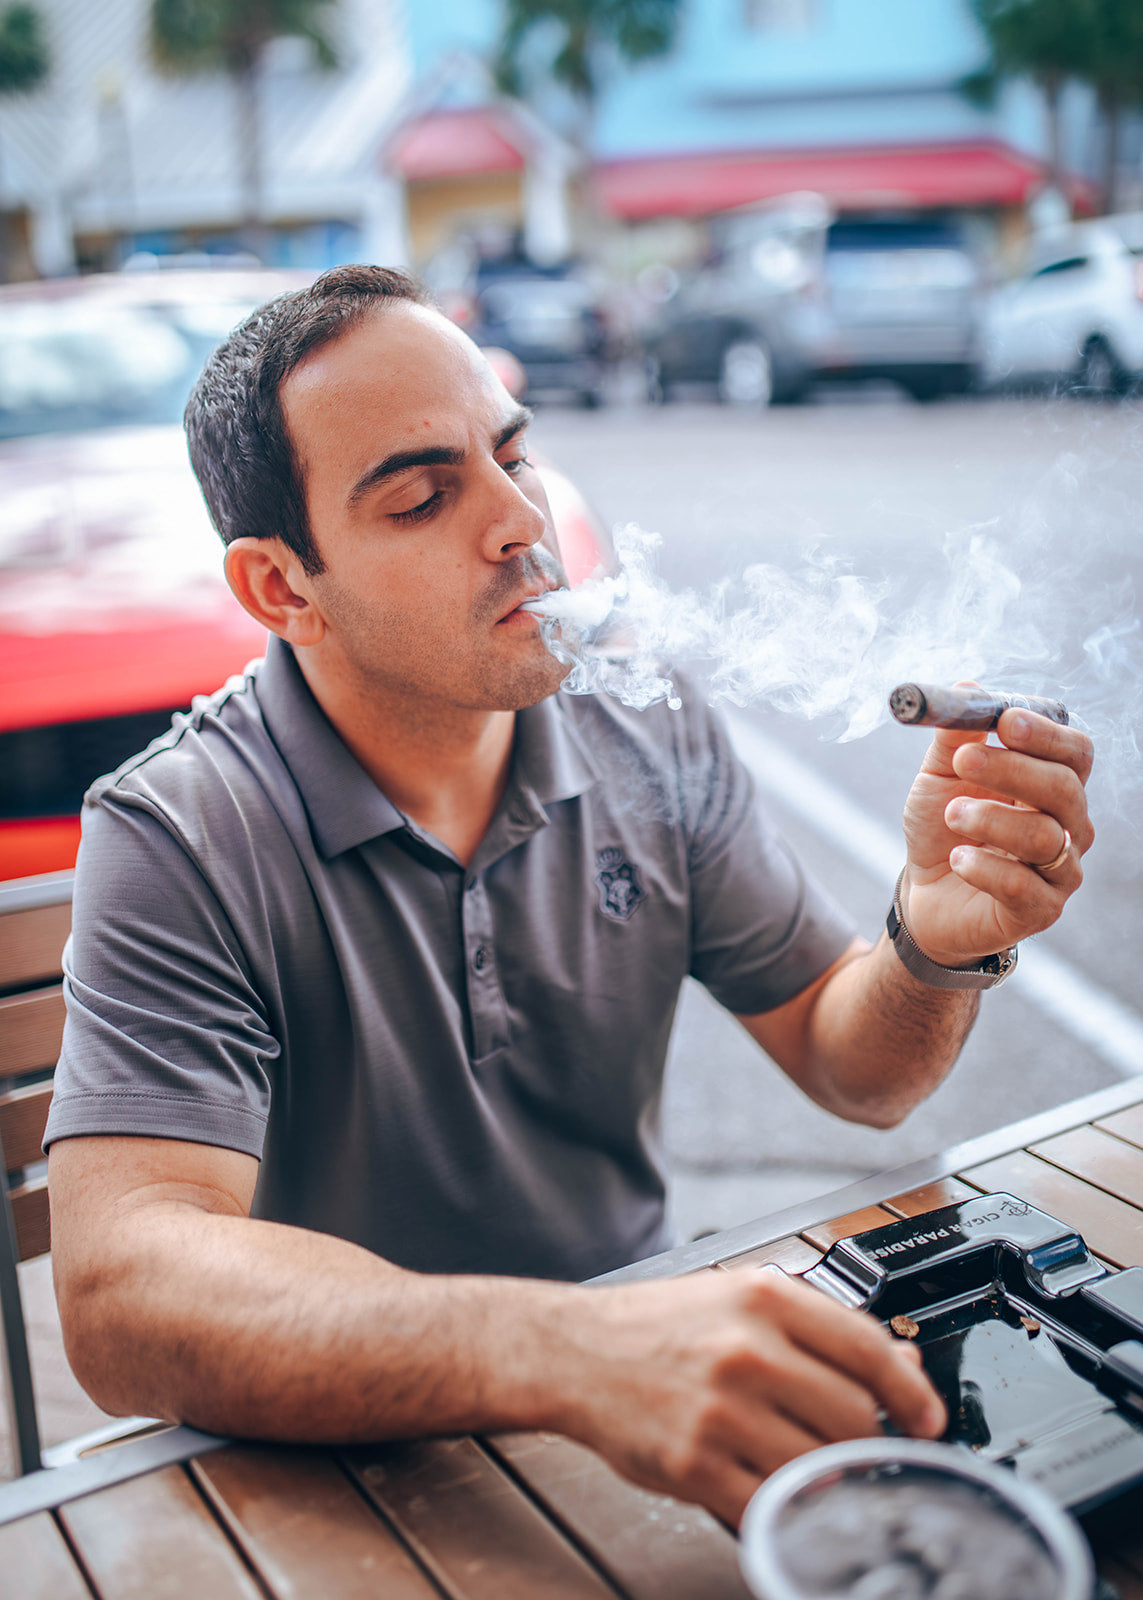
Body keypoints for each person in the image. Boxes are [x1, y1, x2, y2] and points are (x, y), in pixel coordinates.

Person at [46, 266, 1094, 1529]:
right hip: (341, 1467)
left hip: (655, 1402)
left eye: (514, 453)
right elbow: (123, 1293)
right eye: (426, 496)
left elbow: (851, 1062)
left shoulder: (642, 728)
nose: (517, 522)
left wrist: (930, 941)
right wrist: (570, 1352)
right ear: (283, 589)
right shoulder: (180, 830)